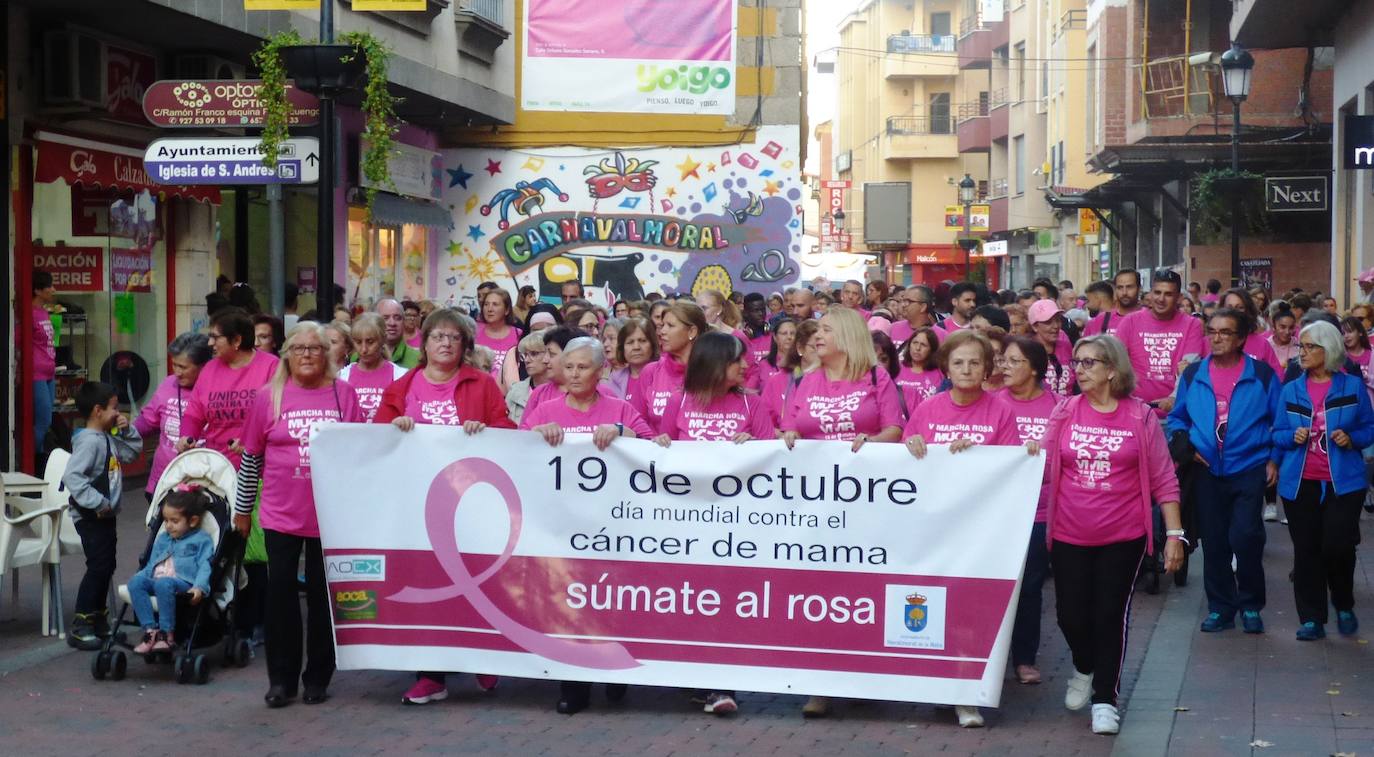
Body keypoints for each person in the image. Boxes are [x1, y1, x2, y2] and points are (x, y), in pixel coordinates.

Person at [1042, 335, 1184, 735]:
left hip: (1123, 535)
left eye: (1089, 363)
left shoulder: (1139, 416)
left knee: (1109, 614)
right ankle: (1084, 667)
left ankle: (1105, 698)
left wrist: (1175, 534)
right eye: (1078, 363)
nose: (1080, 370)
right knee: (1070, 614)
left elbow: (1164, 477)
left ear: (1112, 369)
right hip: (1069, 532)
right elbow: (1040, 461)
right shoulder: (1066, 411)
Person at [375, 309, 514, 704]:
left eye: (455, 338)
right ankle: (431, 675)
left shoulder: (482, 384)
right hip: (417, 502)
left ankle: (484, 659)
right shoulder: (403, 387)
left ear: (465, 345)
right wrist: (394, 428)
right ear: (425, 341)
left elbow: (508, 432)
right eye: (439, 336)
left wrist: (486, 432)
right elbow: (375, 438)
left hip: (471, 501)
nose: (446, 343)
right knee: (427, 585)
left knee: (477, 580)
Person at [780, 307, 902, 721]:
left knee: (863, 592)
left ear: (847, 335)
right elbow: (787, 429)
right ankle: (820, 684)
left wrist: (872, 442)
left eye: (826, 331)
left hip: (867, 502)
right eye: (816, 331)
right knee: (819, 593)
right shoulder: (806, 380)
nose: (817, 337)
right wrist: (790, 435)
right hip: (816, 506)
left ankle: (865, 674)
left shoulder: (875, 377)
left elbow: (895, 430)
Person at [235, 322, 363, 707]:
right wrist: (242, 512)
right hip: (280, 513)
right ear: (287, 355)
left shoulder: (344, 395)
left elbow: (359, 455)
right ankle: (281, 680)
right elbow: (251, 457)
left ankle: (318, 677)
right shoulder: (268, 397)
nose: (307, 355)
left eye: (315, 348)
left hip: (330, 514)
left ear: (328, 354)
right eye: (299, 348)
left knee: (325, 599)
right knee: (281, 596)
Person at [903, 329, 1024, 728]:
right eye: (958, 363)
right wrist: (914, 444)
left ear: (987, 368)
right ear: (946, 368)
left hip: (980, 530)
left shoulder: (1001, 411)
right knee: (936, 609)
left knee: (970, 610)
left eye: (975, 362)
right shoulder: (928, 408)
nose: (967, 369)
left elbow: (1011, 467)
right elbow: (902, 459)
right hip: (932, 528)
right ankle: (938, 687)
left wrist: (980, 456)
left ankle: (966, 695)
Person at [524, 336, 651, 715]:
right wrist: (536, 435)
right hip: (562, 528)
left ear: (601, 372)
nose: (575, 373)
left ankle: (615, 672)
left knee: (609, 600)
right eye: (570, 367)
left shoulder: (621, 408)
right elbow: (513, 451)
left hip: (612, 528)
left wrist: (623, 434)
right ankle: (573, 688)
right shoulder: (545, 409)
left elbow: (653, 446)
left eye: (583, 367)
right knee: (570, 606)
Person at [1166, 309, 1281, 634]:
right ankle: (1220, 607)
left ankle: (1250, 605)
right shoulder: (1194, 374)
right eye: (1212, 332)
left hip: (1248, 467)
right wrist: (1187, 447)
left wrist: (1272, 458)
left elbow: (1281, 420)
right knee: (1215, 542)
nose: (1216, 338)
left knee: (1245, 537)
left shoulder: (1261, 375)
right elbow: (1177, 418)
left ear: (1242, 338)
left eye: (1225, 332)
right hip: (1206, 471)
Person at [1272, 321, 1374, 640]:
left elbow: (1369, 428)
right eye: (1300, 347)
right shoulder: (1291, 389)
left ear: (1327, 350)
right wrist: (1292, 435)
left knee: (1338, 546)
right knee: (1306, 550)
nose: (1300, 353)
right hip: (1300, 482)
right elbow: (1276, 432)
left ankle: (1343, 602)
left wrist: (1352, 438)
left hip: (1345, 482)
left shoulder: (1351, 387)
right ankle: (1312, 618)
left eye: (1308, 347)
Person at [62, 381, 144, 649]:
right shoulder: (90, 443)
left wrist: (126, 429)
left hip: (104, 515)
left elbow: (132, 453)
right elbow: (73, 476)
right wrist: (98, 503)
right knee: (98, 566)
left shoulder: (106, 438)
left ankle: (98, 620)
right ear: (98, 410)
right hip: (92, 516)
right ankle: (81, 623)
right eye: (113, 408)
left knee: (106, 565)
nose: (117, 413)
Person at [999, 336, 1061, 685]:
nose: (1005, 367)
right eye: (1003, 360)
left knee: (1030, 586)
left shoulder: (1058, 407)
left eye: (1013, 361)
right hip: (996, 513)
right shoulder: (992, 403)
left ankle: (1024, 658)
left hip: (1039, 512)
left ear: (1035, 368)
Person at [179, 308, 281, 468]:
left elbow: (278, 417)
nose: (209, 343)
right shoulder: (209, 369)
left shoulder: (271, 366)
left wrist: (254, 441)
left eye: (215, 337)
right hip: (217, 470)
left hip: (258, 468)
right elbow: (194, 414)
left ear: (236, 341)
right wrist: (186, 436)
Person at [128, 487, 215, 655]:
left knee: (163, 583)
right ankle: (150, 631)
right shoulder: (163, 538)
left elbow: (206, 565)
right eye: (166, 520)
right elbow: (152, 562)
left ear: (193, 521)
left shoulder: (201, 539)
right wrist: (141, 576)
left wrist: (199, 587)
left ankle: (166, 634)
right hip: (157, 580)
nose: (168, 526)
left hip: (183, 582)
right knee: (135, 582)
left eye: (174, 521)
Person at [134, 333, 213, 503]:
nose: (177, 372)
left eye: (183, 367)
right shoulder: (168, 384)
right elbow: (148, 421)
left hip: (205, 484)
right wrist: (123, 430)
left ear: (204, 366)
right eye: (174, 365)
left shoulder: (217, 389)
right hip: (164, 480)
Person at [1113, 270, 1205, 414]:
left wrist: (1174, 398)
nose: (1161, 299)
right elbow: (1115, 363)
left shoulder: (1192, 325)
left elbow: (1189, 367)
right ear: (1150, 293)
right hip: (1135, 413)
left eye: (1168, 294)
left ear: (1179, 298)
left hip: (1174, 415)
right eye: (1157, 292)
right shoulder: (1130, 321)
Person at [632, 301, 708, 434]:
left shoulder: (712, 372)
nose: (662, 332)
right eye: (662, 326)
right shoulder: (651, 372)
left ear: (692, 331)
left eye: (670, 326)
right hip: (655, 451)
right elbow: (635, 422)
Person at [338, 313, 407, 423]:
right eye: (358, 342)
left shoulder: (400, 375)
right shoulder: (342, 377)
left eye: (370, 342)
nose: (364, 349)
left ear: (383, 339)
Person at [762, 319, 820, 428]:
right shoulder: (777, 380)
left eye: (823, 346)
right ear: (800, 348)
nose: (820, 352)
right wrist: (779, 435)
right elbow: (763, 423)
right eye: (815, 347)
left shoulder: (832, 378)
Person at [1219, 288, 1283, 374]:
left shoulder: (1262, 344)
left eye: (1240, 308)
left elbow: (1277, 379)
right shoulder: (1210, 341)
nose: (1234, 312)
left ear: (1248, 311)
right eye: (1229, 307)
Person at [29, 270, 58, 459]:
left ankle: (38, 458)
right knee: (43, 420)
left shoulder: (43, 312)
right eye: (49, 286)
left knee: (46, 420)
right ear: (38, 290)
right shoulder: (29, 313)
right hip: (36, 373)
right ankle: (34, 460)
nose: (53, 290)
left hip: (49, 372)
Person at [604, 317, 658, 403]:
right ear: (622, 348)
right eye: (630, 342)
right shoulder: (613, 381)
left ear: (653, 344)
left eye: (642, 341)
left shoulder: (664, 375)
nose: (636, 347)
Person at [1027, 300, 1075, 396]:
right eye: (1048, 322)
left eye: (1058, 320)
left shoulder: (1065, 346)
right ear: (1035, 326)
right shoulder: (1027, 351)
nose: (1056, 326)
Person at [476, 288, 522, 383]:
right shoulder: (474, 333)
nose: (489, 309)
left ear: (507, 310)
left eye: (495, 304)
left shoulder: (519, 334)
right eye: (486, 304)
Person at [505, 332, 551, 425]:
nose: (526, 360)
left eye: (534, 354)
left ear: (549, 355)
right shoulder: (515, 390)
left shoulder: (562, 390)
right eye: (525, 355)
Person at [896, 328, 943, 413]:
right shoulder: (896, 369)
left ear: (931, 350)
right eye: (915, 343)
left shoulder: (940, 374)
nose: (917, 348)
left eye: (923, 345)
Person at [1082, 271, 1141, 339]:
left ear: (1139, 288)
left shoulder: (1150, 319)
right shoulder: (1097, 321)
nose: (1124, 292)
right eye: (1120, 287)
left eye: (1129, 287)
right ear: (1115, 290)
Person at [376, 299, 421, 369]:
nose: (392, 323)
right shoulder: (359, 357)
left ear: (403, 321)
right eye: (385, 318)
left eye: (397, 318)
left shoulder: (418, 358)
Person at [1268, 303, 1300, 369]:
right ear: (1273, 327)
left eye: (1291, 328)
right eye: (1282, 327)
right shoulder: (1266, 345)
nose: (1287, 332)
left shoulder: (1299, 345)